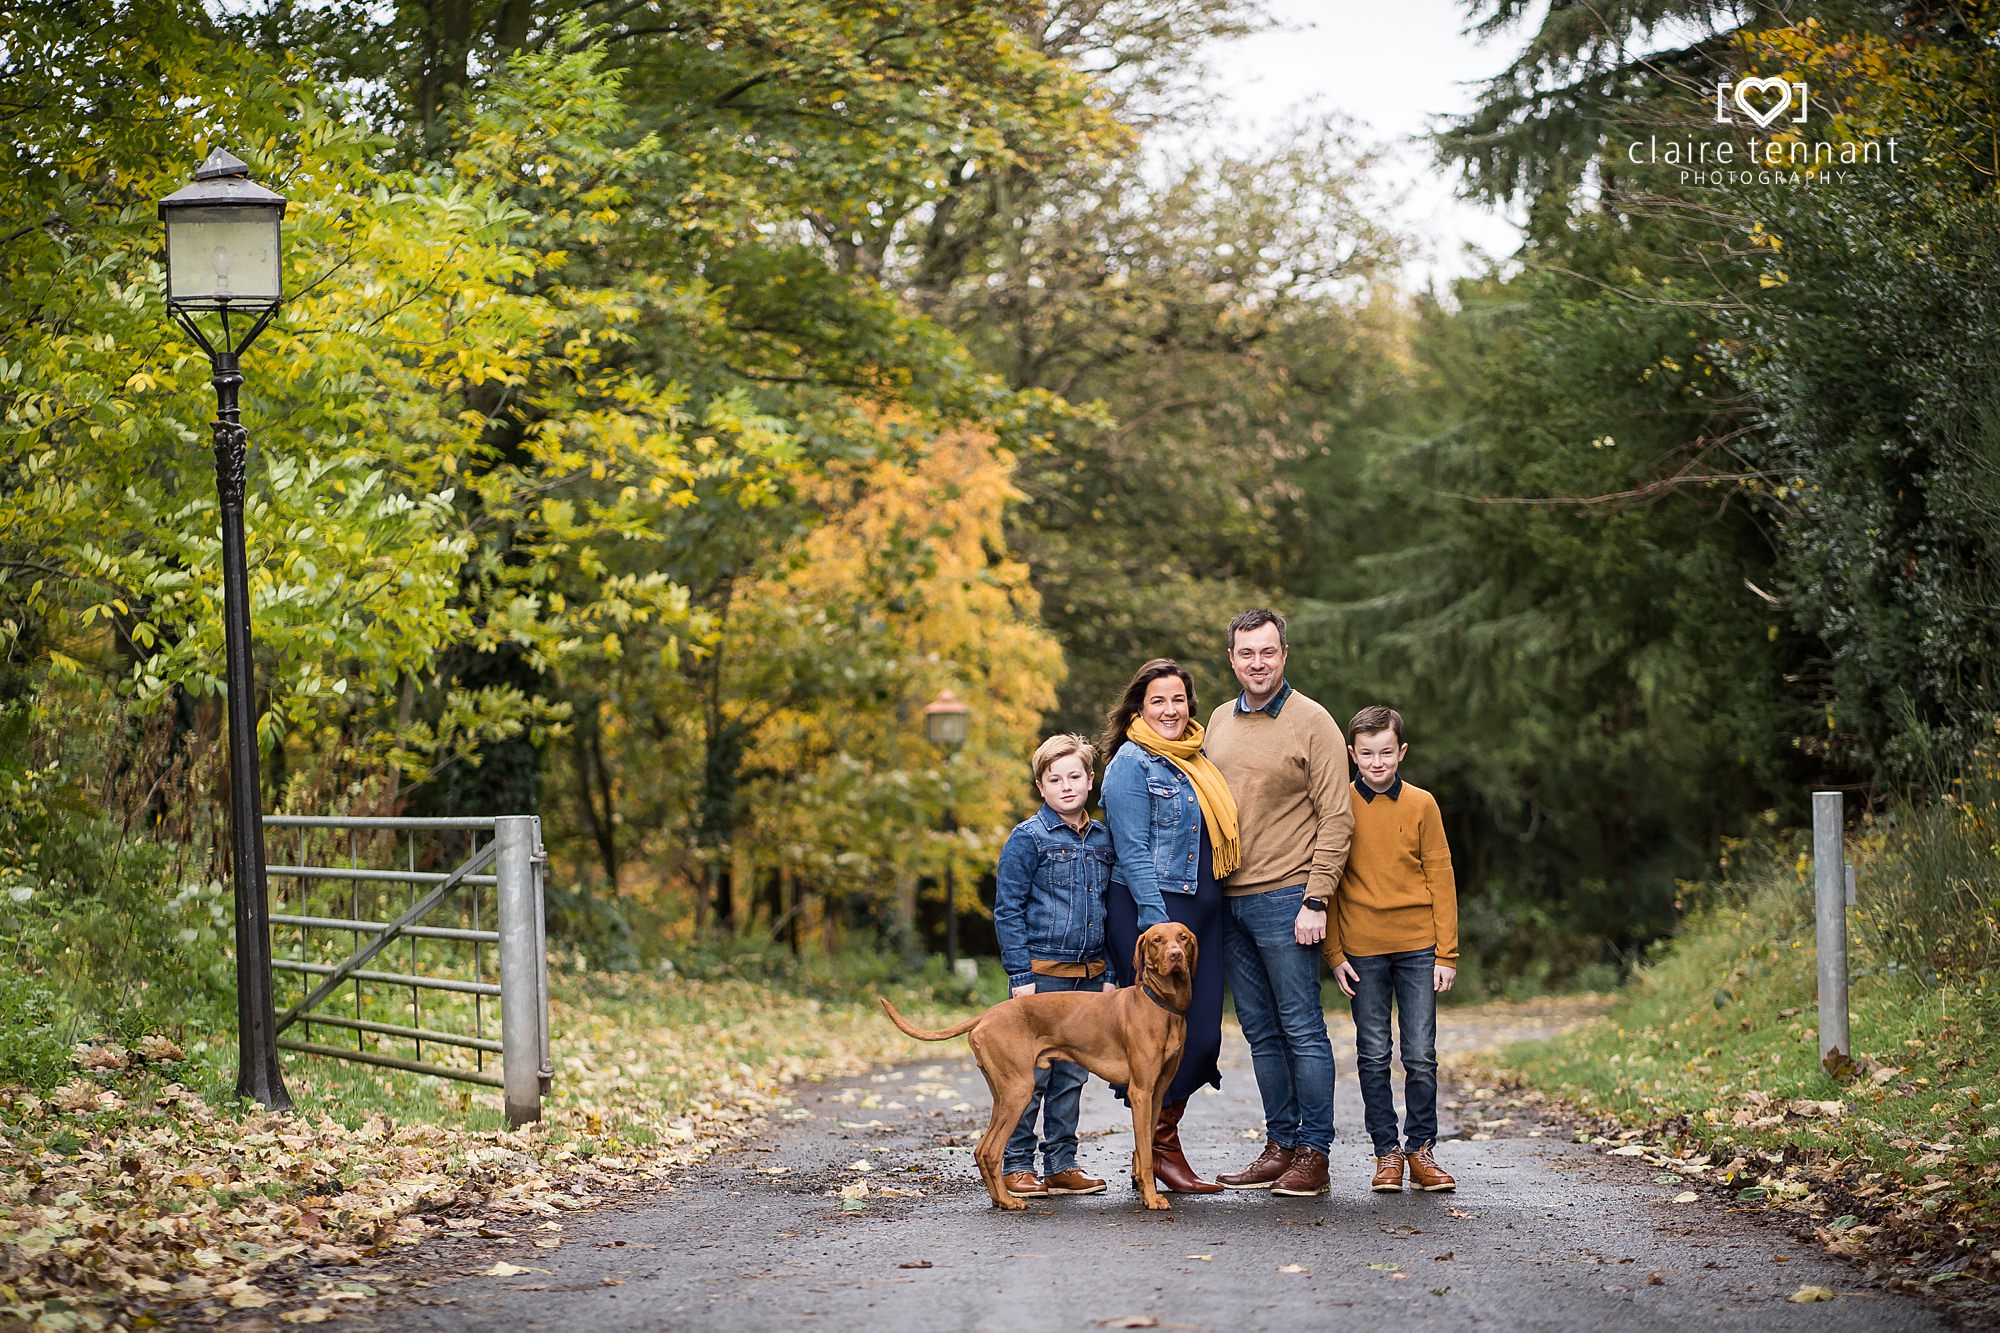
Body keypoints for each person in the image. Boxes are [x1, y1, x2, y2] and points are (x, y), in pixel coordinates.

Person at [1205, 608, 1351, 1198]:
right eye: (1246, 653)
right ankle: (1281, 1144)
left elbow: (1337, 818)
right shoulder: (1217, 720)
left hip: (1289, 895)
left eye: (1267, 652)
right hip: (1228, 899)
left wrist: (1317, 898)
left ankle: (1314, 1153)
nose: (1257, 663)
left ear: (1284, 655)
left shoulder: (1313, 721)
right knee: (1260, 1031)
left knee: (1302, 1028)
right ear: (1233, 659)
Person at [1099, 658, 1239, 1196]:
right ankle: (1157, 1153)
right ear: (1139, 707)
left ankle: (1158, 1145)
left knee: (1200, 1040)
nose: (1169, 710)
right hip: (1152, 919)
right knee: (1155, 1045)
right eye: (1157, 700)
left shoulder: (1196, 760)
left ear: (1190, 705)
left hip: (1200, 917)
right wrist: (1160, 929)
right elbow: (1132, 851)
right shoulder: (1131, 764)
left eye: (1177, 699)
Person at [1327, 704, 1459, 1193]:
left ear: (1401, 751)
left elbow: (1441, 878)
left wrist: (1447, 952)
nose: (1377, 762)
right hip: (1362, 951)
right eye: (1366, 753)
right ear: (1352, 754)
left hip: (1418, 946)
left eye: (1386, 752)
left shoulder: (1422, 804)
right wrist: (1334, 953)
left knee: (1421, 1054)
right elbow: (1332, 882)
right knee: (1372, 1053)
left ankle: (1420, 1149)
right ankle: (1386, 1153)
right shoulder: (1339, 803)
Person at [992, 733, 1117, 1198]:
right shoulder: (1029, 839)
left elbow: (1114, 908)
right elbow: (1008, 909)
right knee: (1032, 1075)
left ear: (1090, 780)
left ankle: (1062, 1163)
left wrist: (1113, 975)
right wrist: (1021, 977)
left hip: (1089, 977)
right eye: (1054, 779)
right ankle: (1017, 1164)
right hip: (1043, 975)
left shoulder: (1106, 838)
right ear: (1041, 786)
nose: (1066, 786)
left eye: (1074, 776)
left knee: (1073, 1074)